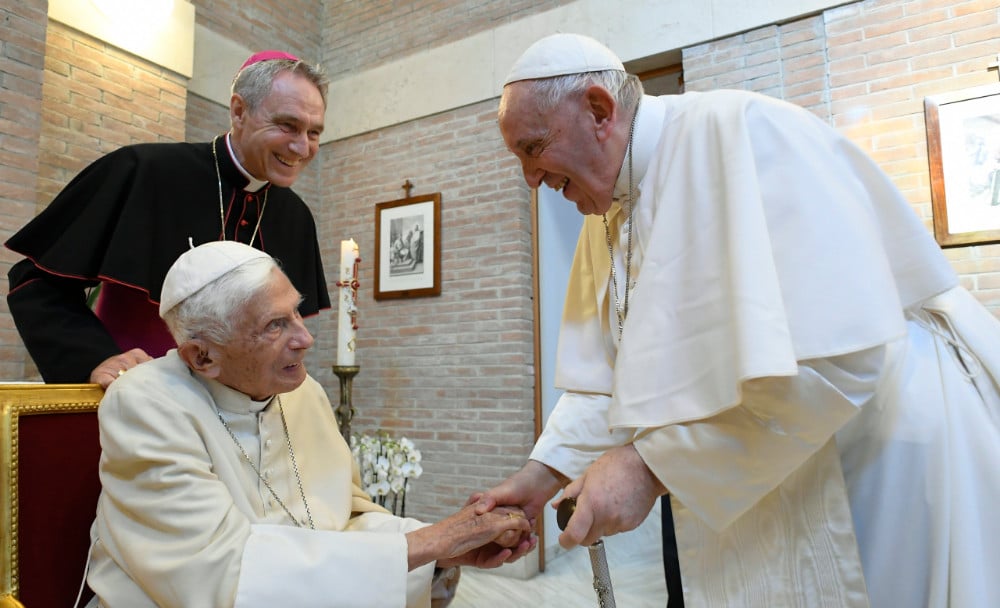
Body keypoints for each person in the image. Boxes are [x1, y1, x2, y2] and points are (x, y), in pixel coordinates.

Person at [476, 32, 1000, 607]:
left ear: (598, 110)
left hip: (876, 458)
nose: (530, 178)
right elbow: (609, 375)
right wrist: (540, 475)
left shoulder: (746, 133)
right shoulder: (605, 214)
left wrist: (651, 467)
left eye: (533, 148)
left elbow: (843, 357)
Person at [84, 240, 534, 607]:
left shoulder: (303, 393)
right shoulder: (146, 404)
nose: (305, 338)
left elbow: (347, 518)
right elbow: (222, 576)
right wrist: (428, 545)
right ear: (202, 357)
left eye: (296, 312)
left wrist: (441, 552)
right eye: (275, 325)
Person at [5, 50, 330, 389]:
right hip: (139, 402)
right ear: (239, 111)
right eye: (287, 125)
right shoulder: (143, 172)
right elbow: (35, 281)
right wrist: (95, 358)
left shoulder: (297, 218)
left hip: (242, 420)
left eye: (314, 133)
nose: (301, 147)